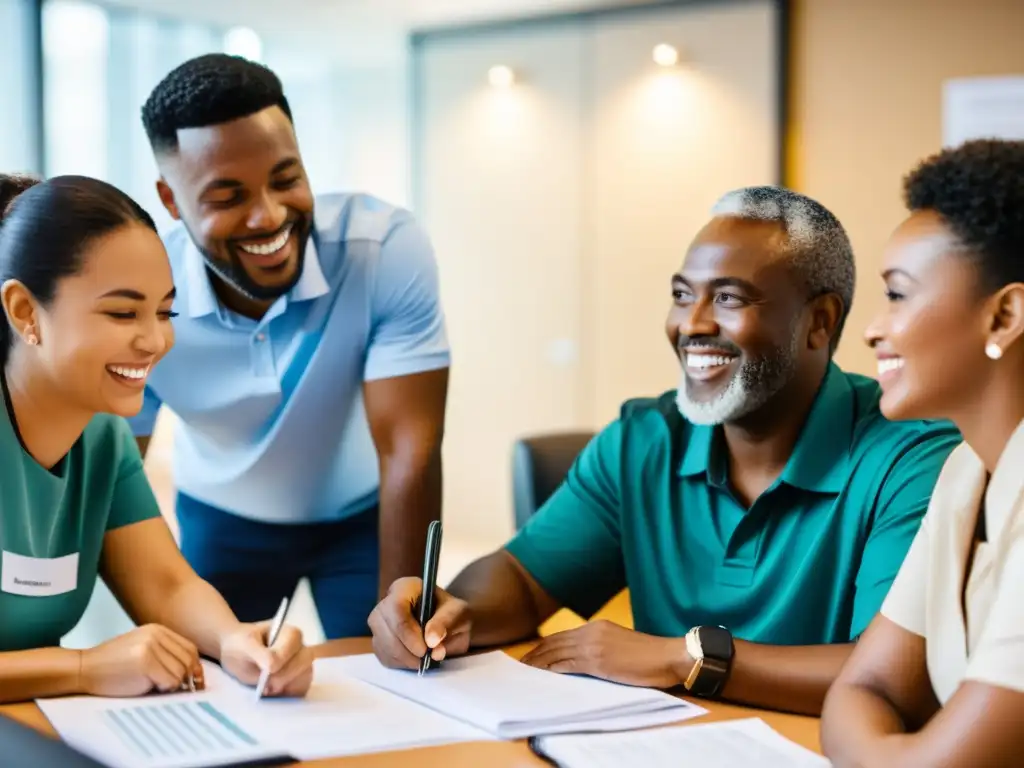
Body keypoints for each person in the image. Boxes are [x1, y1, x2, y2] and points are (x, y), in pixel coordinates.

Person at [368, 186, 962, 716]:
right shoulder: (643, 439)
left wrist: (684, 658)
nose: (691, 324)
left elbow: (890, 676)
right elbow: (521, 580)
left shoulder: (912, 457)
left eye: (728, 298)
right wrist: (448, 613)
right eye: (683, 295)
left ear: (819, 323)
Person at [132, 54, 450, 639]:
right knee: (215, 692)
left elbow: (411, 446)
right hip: (222, 522)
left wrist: (407, 610)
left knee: (393, 678)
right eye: (227, 197)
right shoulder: (144, 289)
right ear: (171, 201)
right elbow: (118, 471)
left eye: (286, 179)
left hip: (362, 518)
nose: (270, 216)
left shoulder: (383, 247)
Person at [0, 173, 312, 704]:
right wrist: (80, 668)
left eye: (165, 312)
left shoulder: (102, 436)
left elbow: (166, 585)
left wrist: (232, 639)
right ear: (27, 312)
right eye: (123, 313)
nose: (154, 341)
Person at [821, 139, 1024, 765]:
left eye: (899, 294)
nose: (871, 328)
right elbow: (865, 686)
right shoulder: (966, 471)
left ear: (1004, 315)